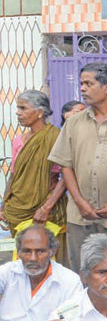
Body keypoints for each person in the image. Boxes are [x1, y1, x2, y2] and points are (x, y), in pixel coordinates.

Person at [48, 62, 107, 273]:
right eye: (82, 84)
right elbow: (65, 165)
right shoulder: (73, 124)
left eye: (88, 84)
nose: (82, 89)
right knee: (82, 271)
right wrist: (80, 202)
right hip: (79, 217)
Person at [1, 91, 67, 255]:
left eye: (23, 108)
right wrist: (4, 204)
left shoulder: (55, 138)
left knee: (47, 256)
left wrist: (46, 208)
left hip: (45, 210)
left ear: (40, 112)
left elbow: (65, 177)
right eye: (18, 108)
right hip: (18, 209)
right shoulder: (19, 140)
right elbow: (14, 175)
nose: (18, 112)